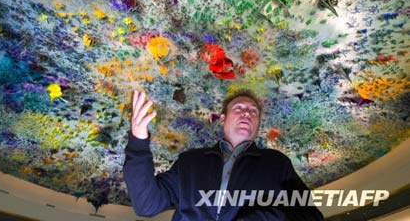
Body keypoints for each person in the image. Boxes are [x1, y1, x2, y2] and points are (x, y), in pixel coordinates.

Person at [124, 89, 324, 220]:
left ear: (258, 124)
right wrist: (138, 142)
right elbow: (146, 204)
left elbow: (310, 216)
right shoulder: (190, 162)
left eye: (253, 111)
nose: (247, 113)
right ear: (222, 119)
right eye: (239, 108)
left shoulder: (276, 163)